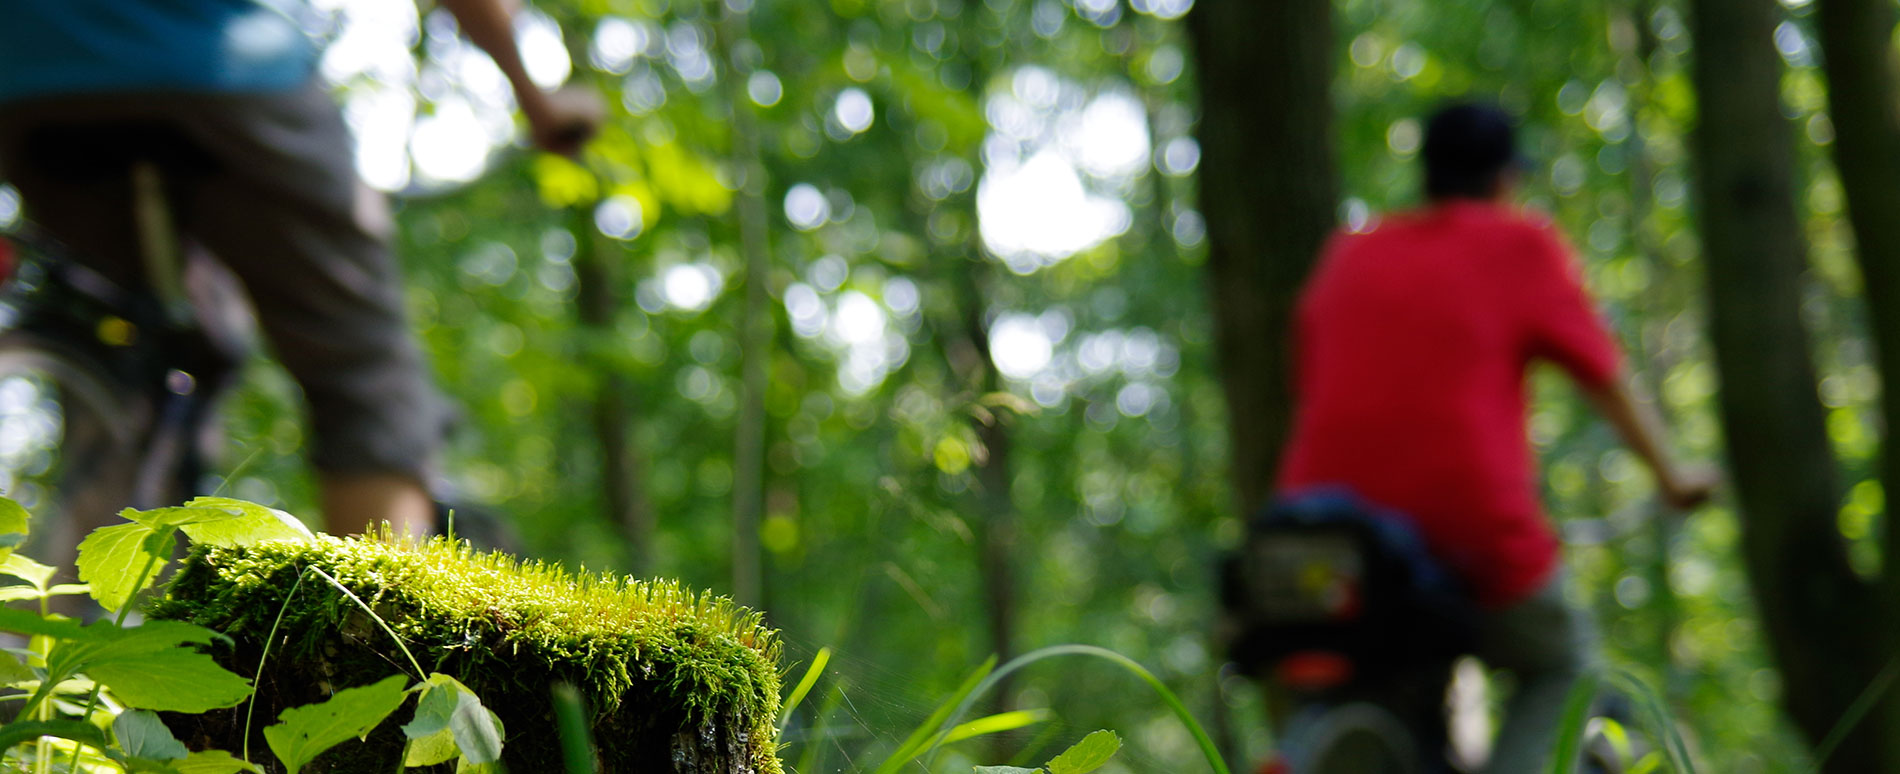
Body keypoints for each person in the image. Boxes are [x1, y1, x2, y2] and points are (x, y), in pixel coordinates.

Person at [0, 0, 601, 537]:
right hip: (211, 64)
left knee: (125, 347)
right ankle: (373, 650)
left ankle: (67, 630)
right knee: (360, 366)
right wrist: (537, 99)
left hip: (22, 78)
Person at [1272, 102, 1718, 772]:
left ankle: (1345, 736)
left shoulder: (1348, 253)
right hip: (1469, 526)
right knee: (1565, 668)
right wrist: (1672, 476)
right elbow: (1606, 376)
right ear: (1506, 179)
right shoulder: (1518, 244)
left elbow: (1310, 378)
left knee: (1360, 681)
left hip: (1318, 536)